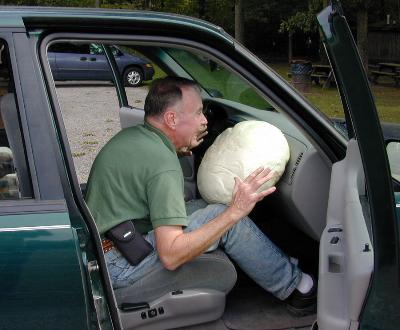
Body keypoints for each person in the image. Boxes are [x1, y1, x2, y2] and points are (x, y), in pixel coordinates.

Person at [85, 76, 316, 315]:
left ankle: (269, 262)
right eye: (197, 113)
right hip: (119, 267)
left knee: (203, 205)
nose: (204, 120)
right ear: (172, 119)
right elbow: (171, 255)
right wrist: (235, 212)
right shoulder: (162, 164)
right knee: (225, 217)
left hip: (113, 246)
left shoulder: (136, 139)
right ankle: (298, 288)